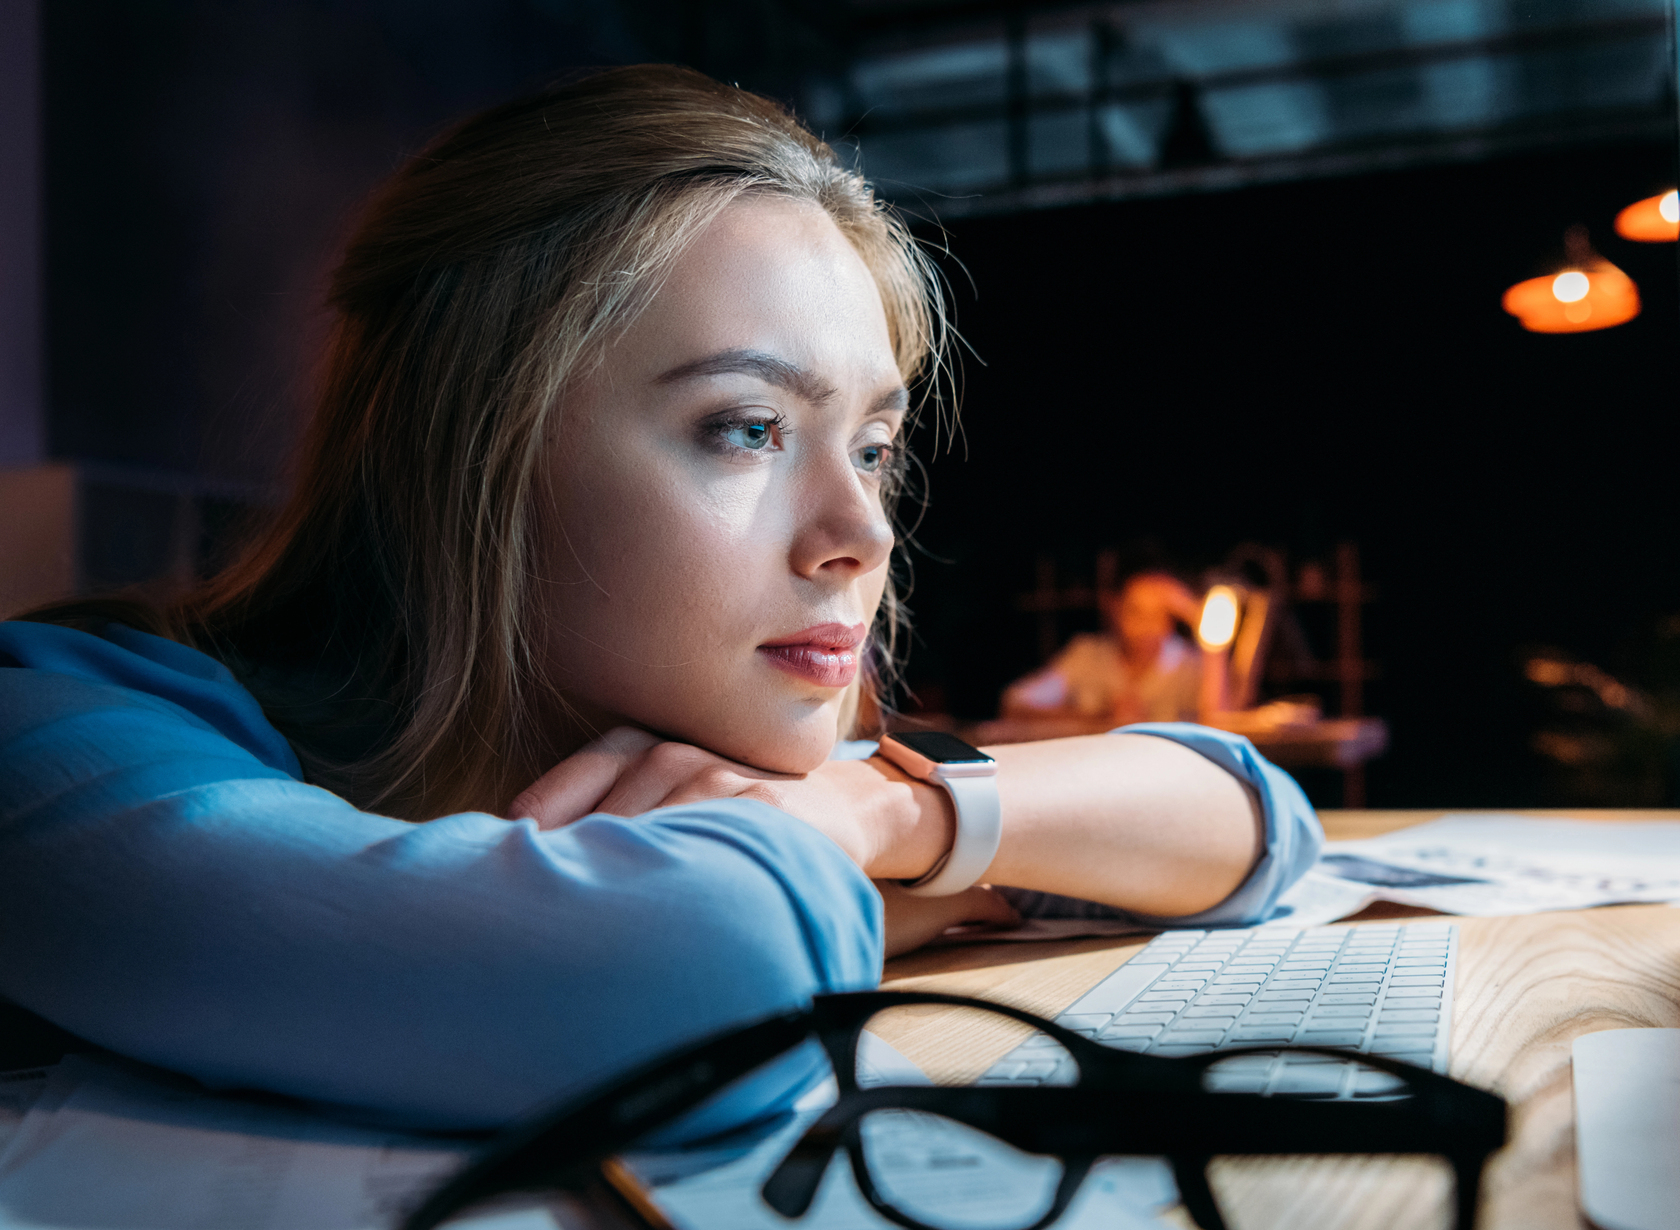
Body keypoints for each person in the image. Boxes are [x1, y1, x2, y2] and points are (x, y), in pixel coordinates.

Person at [0, 67, 1320, 1138]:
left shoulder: (684, 755)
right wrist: (873, 856)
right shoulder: (50, 735)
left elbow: (1249, 813)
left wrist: (878, 807)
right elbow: (710, 974)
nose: (861, 533)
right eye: (746, 427)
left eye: (872, 446)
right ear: (473, 452)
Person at [1003, 570, 1205, 723]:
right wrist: (1098, 718)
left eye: (1158, 615)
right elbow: (1014, 703)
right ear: (1116, 610)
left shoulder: (1190, 663)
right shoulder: (1087, 654)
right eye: (1136, 612)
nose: (1146, 628)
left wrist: (1194, 613)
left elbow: (1221, 720)